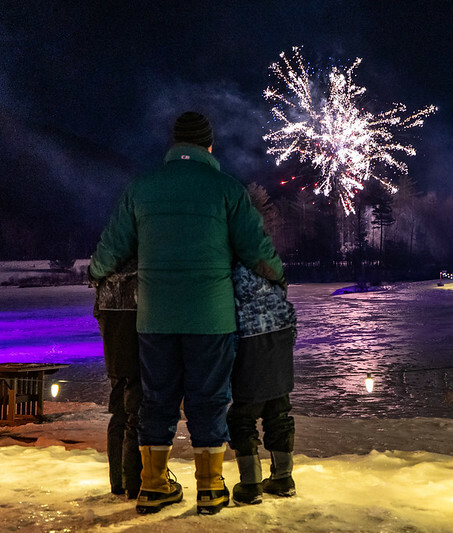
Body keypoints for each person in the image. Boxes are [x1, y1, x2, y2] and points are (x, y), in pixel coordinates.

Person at [88, 111, 284, 516]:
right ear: (209, 146)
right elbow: (257, 251)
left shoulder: (141, 188)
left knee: (156, 401)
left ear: (174, 145)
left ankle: (153, 486)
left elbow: (112, 248)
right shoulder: (227, 189)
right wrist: (278, 277)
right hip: (211, 320)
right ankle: (211, 489)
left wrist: (96, 271)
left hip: (155, 319)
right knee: (209, 400)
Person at [226, 262, 296, 505]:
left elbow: (230, 336)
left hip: (250, 358)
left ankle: (251, 484)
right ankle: (283, 478)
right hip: (279, 357)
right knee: (278, 414)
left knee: (241, 419)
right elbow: (291, 319)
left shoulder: (231, 290)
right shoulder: (273, 287)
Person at [93, 258, 142, 500]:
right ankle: (135, 480)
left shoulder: (105, 273)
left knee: (120, 411)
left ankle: (120, 481)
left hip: (114, 344)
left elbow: (98, 316)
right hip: (136, 342)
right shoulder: (142, 270)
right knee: (136, 411)